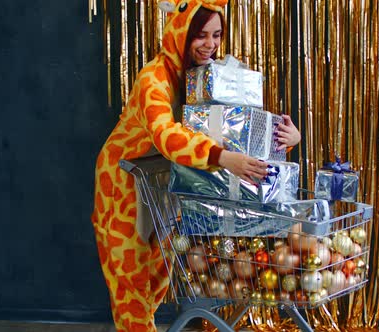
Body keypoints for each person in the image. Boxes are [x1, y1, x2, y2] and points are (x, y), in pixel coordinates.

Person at [91, 1, 300, 331]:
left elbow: (236, 120)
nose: (211, 45)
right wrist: (223, 158)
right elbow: (165, 134)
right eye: (200, 35)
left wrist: (285, 135)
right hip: (123, 180)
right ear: (180, 33)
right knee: (131, 280)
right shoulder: (153, 79)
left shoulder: (202, 76)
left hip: (167, 178)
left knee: (158, 280)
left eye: (217, 35)